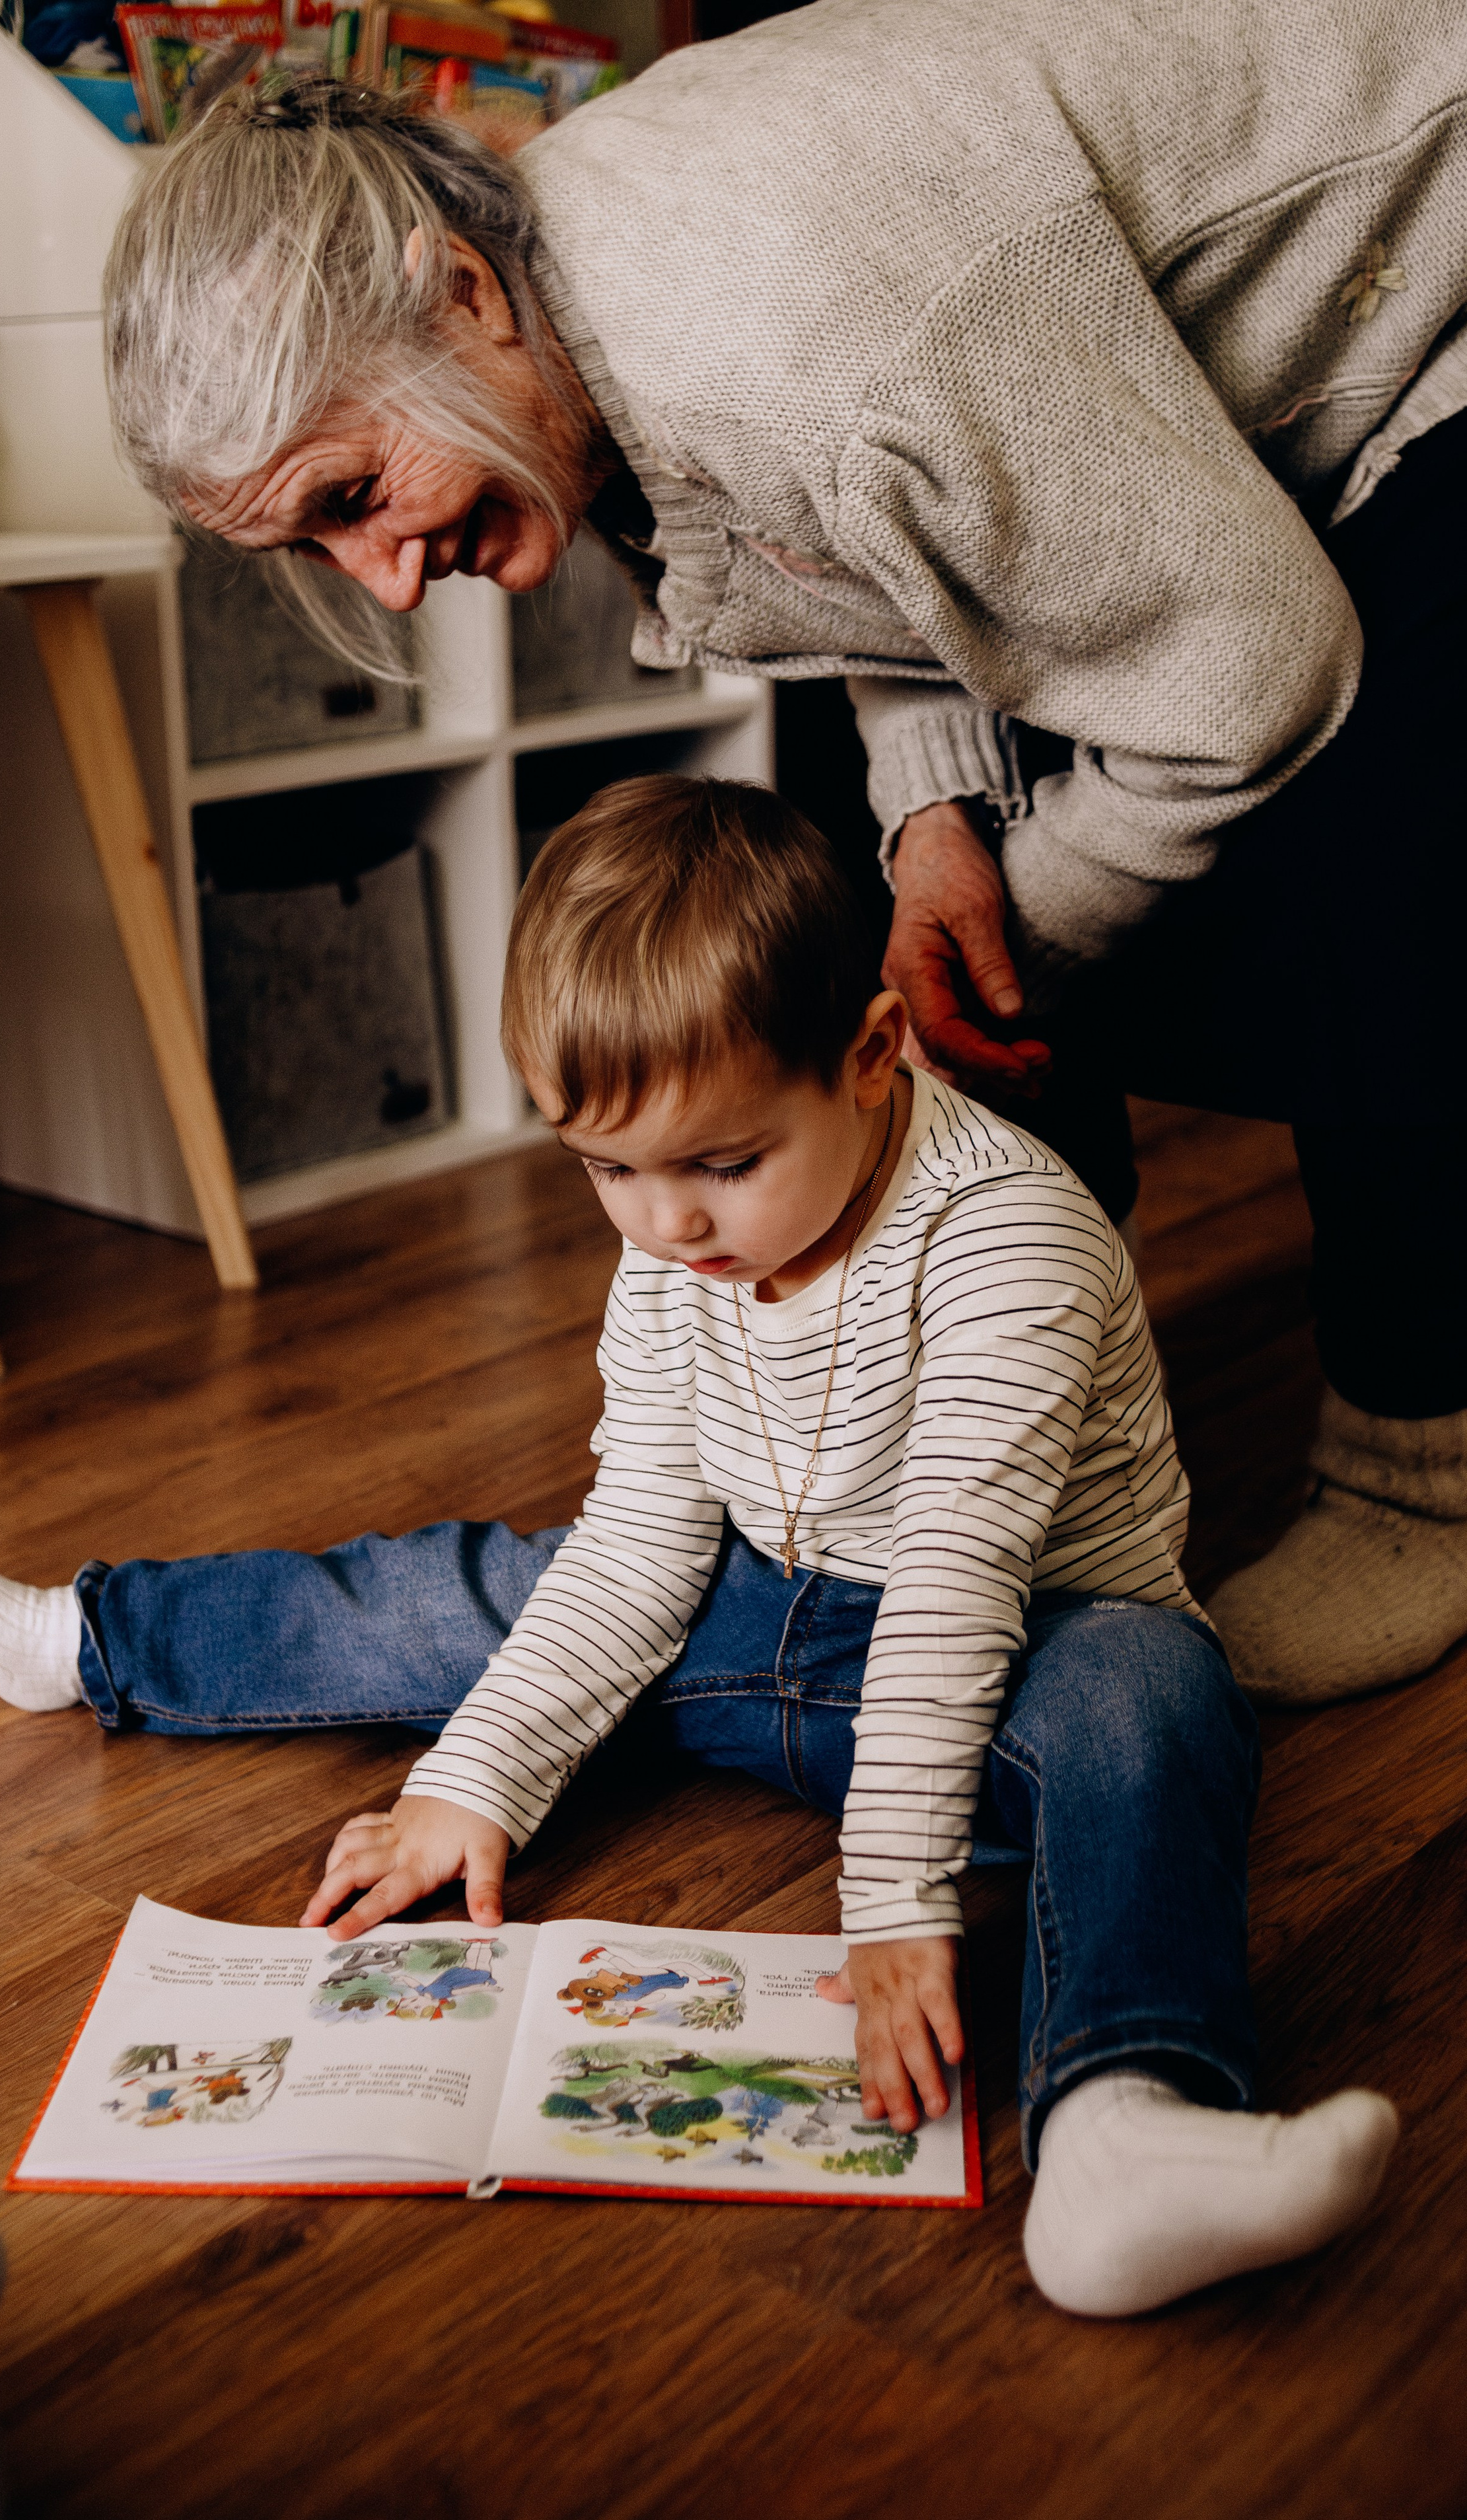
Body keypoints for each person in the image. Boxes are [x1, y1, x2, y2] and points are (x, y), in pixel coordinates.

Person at [0, 775, 1397, 2318]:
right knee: (463, 1590)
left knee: (1156, 1700)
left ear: (868, 1055)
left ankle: (1124, 2121)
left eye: (720, 1163)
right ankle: (91, 1641)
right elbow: (642, 1537)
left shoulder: (1012, 1242)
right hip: (756, 1620)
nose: (666, 1224)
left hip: (1009, 1655)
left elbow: (952, 1581)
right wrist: (475, 1777)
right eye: (605, 1170)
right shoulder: (669, 1253)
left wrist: (893, 1909)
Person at [98, 6, 1467, 1707]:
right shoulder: (573, 305)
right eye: (314, 543)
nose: (381, 580)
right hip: (1114, 377)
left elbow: (1254, 666)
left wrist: (1035, 911)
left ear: (453, 288)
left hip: (1433, 285)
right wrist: (937, 817)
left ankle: (1415, 1468)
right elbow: (872, 555)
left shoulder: (813, 335)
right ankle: (996, 1408)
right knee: (882, 889)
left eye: (355, 491)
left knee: (1383, 837)